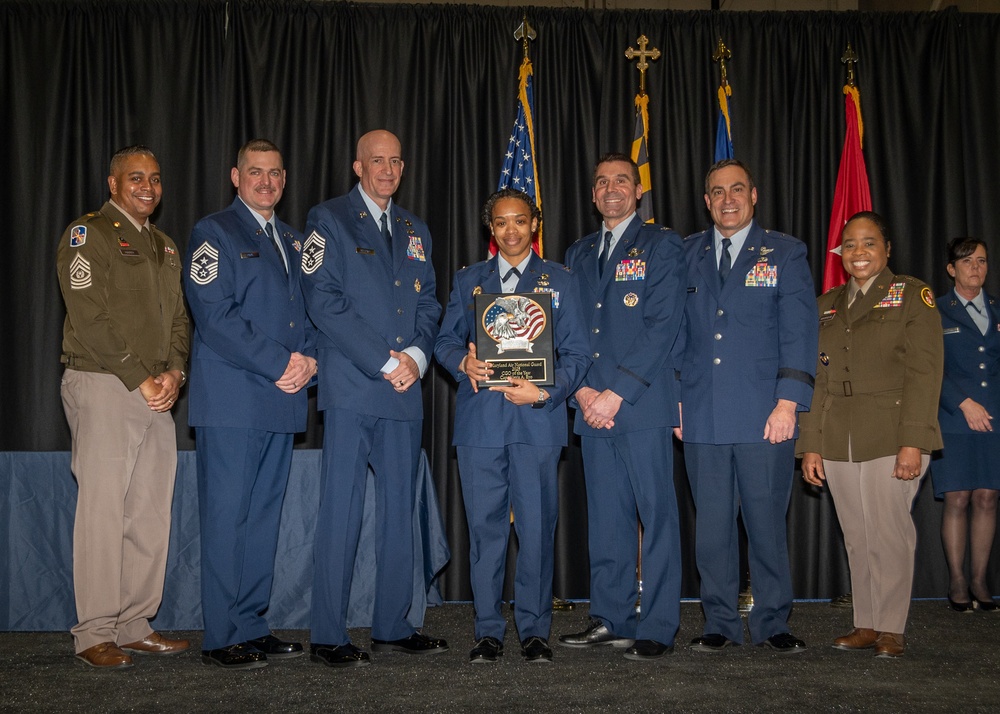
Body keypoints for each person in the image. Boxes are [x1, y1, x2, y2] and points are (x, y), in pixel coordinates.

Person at [300, 129, 445, 668]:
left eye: (395, 162)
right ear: (357, 167)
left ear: (402, 168)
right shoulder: (328, 220)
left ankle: (391, 624)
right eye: (375, 161)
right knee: (342, 511)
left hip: (406, 389)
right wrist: (386, 361)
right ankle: (328, 635)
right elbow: (324, 302)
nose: (386, 170)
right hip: (355, 388)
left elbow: (429, 303)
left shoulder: (415, 229)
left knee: (399, 514)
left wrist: (418, 358)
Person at [435, 189, 590, 664]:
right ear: (491, 230)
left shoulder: (560, 280)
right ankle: (486, 631)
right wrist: (464, 361)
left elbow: (579, 355)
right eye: (501, 223)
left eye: (519, 221)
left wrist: (545, 392)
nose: (511, 231)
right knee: (485, 534)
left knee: (538, 531)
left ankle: (535, 631)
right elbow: (442, 343)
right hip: (482, 425)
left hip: (537, 422)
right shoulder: (469, 282)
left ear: (534, 223)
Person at [184, 139, 317, 669]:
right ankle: (221, 635)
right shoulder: (212, 233)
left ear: (284, 180)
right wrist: (281, 362)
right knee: (227, 519)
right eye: (255, 172)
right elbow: (214, 316)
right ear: (236, 177)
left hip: (282, 401)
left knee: (264, 518)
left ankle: (251, 624)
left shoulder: (294, 238)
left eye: (275, 173)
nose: (266, 181)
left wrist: (308, 361)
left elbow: (311, 311)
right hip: (235, 401)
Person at [56, 145, 190, 668]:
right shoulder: (86, 234)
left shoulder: (166, 247)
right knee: (103, 512)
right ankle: (93, 632)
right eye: (136, 178)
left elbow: (180, 320)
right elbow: (88, 314)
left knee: (150, 513)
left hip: (157, 392)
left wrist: (175, 373)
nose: (147, 187)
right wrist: (141, 377)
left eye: (155, 179)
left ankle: (134, 623)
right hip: (105, 383)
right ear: (113, 185)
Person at [676, 158, 817, 654]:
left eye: (737, 190)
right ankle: (719, 622)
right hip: (701, 412)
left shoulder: (784, 252)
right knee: (711, 529)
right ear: (707, 200)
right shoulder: (686, 253)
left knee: (765, 524)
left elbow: (800, 333)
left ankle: (774, 621)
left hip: (765, 415)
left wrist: (789, 403)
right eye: (717, 191)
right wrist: (675, 400)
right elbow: (677, 335)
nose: (728, 199)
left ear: (753, 196)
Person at [558, 153, 686, 660]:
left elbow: (663, 326)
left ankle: (656, 624)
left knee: (657, 518)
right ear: (593, 195)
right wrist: (584, 392)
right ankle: (612, 617)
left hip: (640, 405)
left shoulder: (663, 244)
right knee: (607, 519)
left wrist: (616, 392)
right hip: (591, 407)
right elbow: (571, 329)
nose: (611, 189)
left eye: (621, 181)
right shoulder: (578, 252)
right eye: (602, 182)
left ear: (638, 191)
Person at [800, 211, 943, 658]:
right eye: (850, 245)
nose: (858, 252)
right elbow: (818, 380)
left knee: (890, 531)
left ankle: (892, 628)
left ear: (887, 249)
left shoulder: (910, 295)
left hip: (891, 431)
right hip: (840, 433)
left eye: (868, 243)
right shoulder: (826, 305)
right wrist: (811, 445)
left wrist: (913, 441)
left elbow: (925, 372)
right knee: (857, 533)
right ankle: (865, 622)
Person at [933, 237, 998, 612]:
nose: (976, 267)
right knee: (957, 498)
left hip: (995, 417)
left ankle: (979, 579)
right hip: (954, 417)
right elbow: (929, 368)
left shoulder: (997, 310)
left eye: (983, 261)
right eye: (968, 261)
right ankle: (957, 580)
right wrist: (962, 402)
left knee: (988, 497)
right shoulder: (935, 311)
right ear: (951, 269)